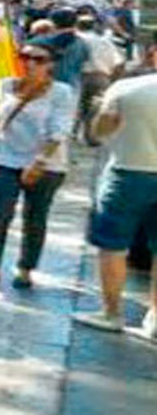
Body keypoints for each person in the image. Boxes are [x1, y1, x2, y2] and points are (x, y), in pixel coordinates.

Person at [0, 39, 76, 292]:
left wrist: (39, 162)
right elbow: (1, 120)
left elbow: (59, 130)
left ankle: (25, 268)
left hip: (46, 164)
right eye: (25, 57)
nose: (30, 63)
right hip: (5, 158)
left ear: (51, 65)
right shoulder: (6, 85)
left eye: (39, 60)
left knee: (35, 217)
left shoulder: (61, 92)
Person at [73, 71, 157, 340]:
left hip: (127, 171)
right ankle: (155, 317)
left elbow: (99, 132)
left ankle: (112, 313)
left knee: (113, 246)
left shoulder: (126, 87)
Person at [76, 14, 124, 143]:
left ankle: (72, 134)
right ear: (94, 26)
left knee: (76, 106)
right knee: (95, 108)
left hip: (79, 76)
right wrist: (114, 79)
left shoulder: (76, 40)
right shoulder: (104, 41)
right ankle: (91, 136)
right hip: (100, 76)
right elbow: (119, 62)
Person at [46, 7, 89, 94]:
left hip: (53, 86)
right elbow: (84, 61)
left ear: (53, 23)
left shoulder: (50, 42)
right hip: (74, 86)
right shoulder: (82, 42)